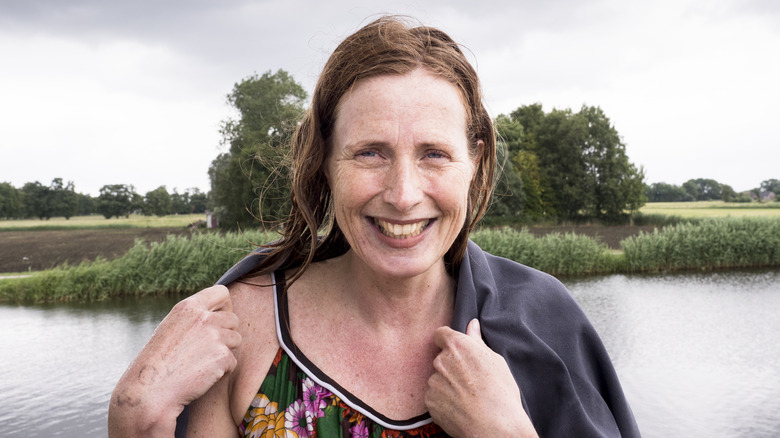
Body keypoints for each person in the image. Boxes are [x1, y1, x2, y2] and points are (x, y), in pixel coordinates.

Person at [108, 16, 640, 437]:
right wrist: (134, 418)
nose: (404, 194)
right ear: (324, 161)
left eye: (434, 153)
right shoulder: (242, 328)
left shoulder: (546, 323)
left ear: (474, 161)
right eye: (370, 153)